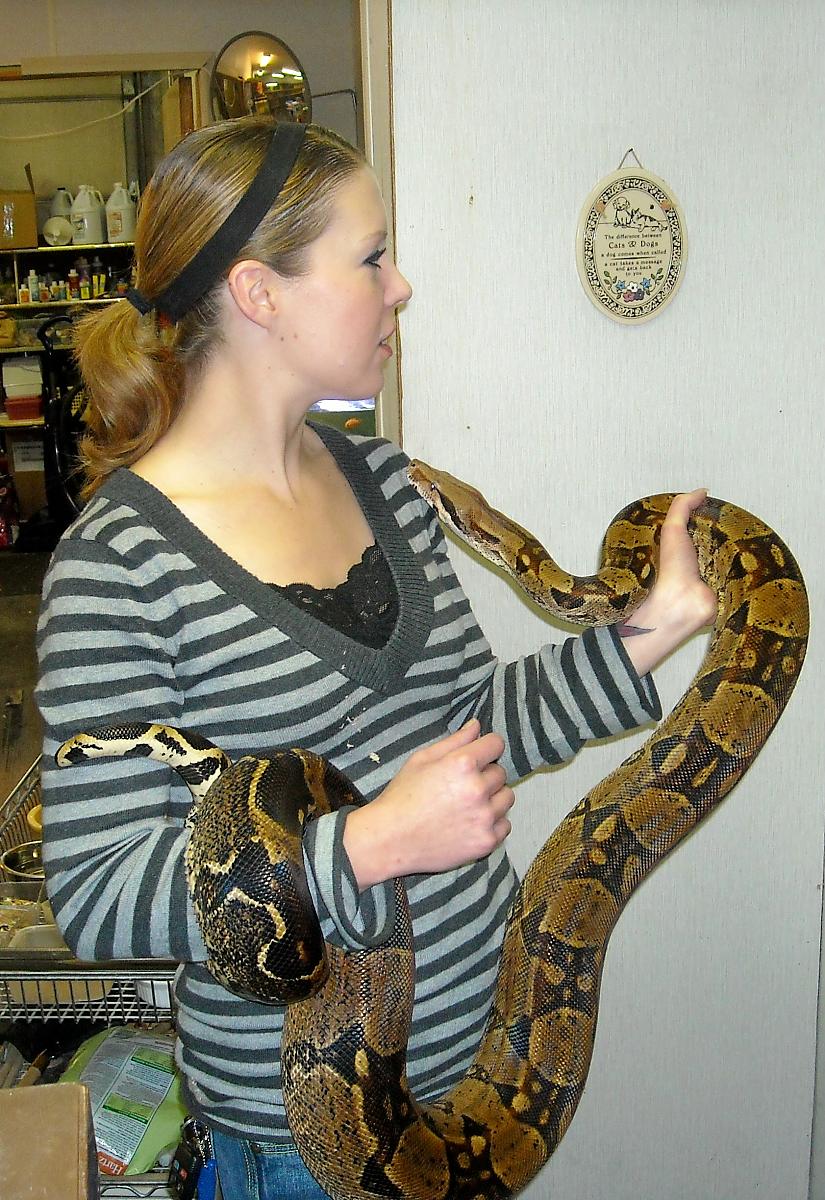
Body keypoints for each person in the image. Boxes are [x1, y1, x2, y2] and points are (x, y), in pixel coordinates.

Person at [35, 115, 716, 1200]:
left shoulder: (387, 482)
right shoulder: (118, 564)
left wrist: (654, 630)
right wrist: (361, 848)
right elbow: (101, 893)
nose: (399, 288)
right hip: (301, 1155)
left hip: (474, 1105)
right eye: (371, 258)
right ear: (260, 294)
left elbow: (467, 727)